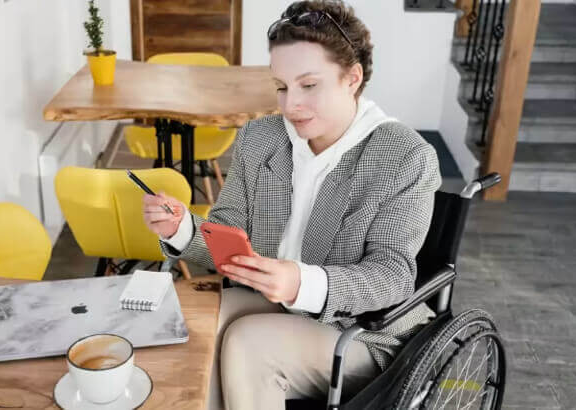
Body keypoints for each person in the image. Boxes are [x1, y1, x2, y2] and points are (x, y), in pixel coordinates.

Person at [141, 1, 441, 409]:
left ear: (352, 78)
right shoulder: (261, 138)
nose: (289, 104)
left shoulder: (404, 157)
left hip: (362, 332)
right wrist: (180, 229)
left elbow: (392, 275)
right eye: (281, 86)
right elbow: (228, 236)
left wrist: (303, 283)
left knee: (250, 344)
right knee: (198, 325)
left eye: (309, 85)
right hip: (276, 303)